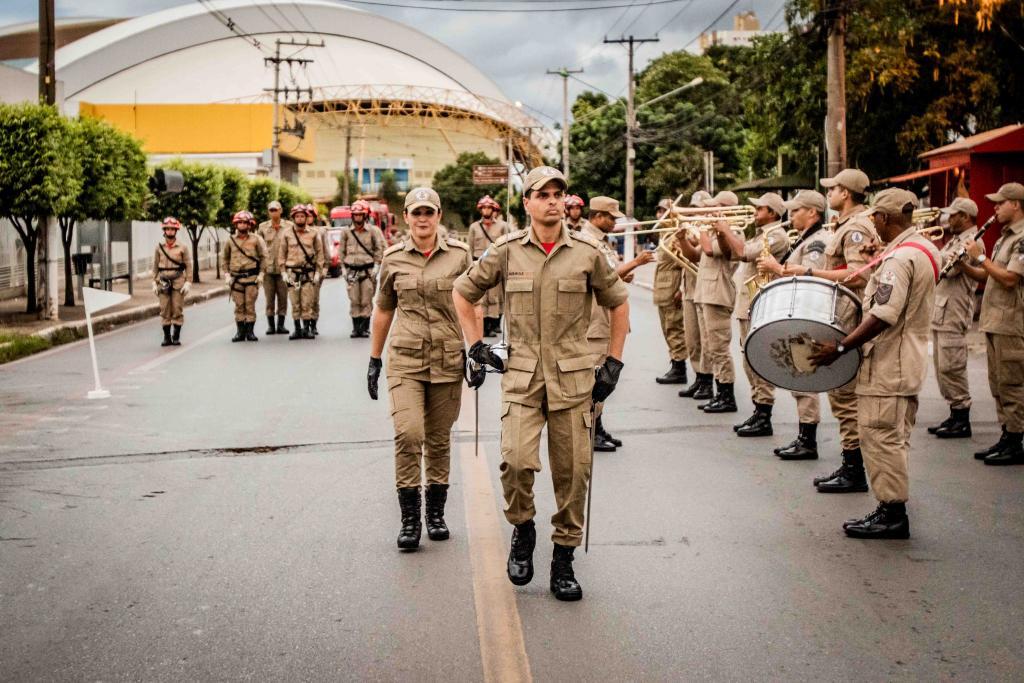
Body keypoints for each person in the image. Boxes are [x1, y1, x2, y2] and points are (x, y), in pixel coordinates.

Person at [452, 166, 630, 602]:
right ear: (527, 203)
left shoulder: (587, 252)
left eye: (558, 194)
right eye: (542, 194)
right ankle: (523, 527)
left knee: (573, 476)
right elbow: (463, 291)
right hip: (523, 377)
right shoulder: (507, 251)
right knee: (515, 461)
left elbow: (619, 304)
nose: (552, 201)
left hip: (574, 380)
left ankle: (564, 556)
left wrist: (614, 363)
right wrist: (475, 346)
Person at [809, 188, 939, 538]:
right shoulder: (922, 249)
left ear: (883, 218)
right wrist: (881, 254)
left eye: (875, 220)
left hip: (888, 364)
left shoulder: (898, 260)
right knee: (892, 438)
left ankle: (892, 513)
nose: (872, 227)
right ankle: (889, 508)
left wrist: (841, 347)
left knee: (881, 438)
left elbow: (883, 314)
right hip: (905, 360)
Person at [367, 187, 472, 550]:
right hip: (406, 359)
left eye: (429, 212)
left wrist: (475, 351)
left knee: (439, 439)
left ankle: (435, 515)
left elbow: (471, 305)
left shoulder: (460, 256)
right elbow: (383, 308)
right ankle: (410, 520)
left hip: (448, 357)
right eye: (416, 213)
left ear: (439, 216)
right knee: (409, 434)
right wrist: (374, 359)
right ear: (406, 218)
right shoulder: (393, 258)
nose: (423, 218)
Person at [781, 169, 875, 489]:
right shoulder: (847, 225)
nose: (829, 193)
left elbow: (858, 274)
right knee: (841, 397)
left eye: (832, 188)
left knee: (846, 398)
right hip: (841, 316)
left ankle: (854, 470)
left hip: (849, 318)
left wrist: (808, 271)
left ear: (845, 193)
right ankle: (850, 465)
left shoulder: (857, 227)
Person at [757, 191, 835, 467]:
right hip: (799, 312)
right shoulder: (806, 238)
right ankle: (804, 436)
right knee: (798, 378)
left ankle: (808, 439)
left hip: (806, 312)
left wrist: (776, 268)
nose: (791, 216)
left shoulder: (816, 243)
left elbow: (807, 275)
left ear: (812, 213)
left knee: (804, 379)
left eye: (797, 210)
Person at [717, 192, 790, 436]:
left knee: (759, 361)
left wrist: (726, 229)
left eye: (759, 209)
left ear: (772, 212)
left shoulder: (777, 235)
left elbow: (745, 253)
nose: (755, 213)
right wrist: (721, 233)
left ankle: (764, 413)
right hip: (748, 303)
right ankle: (758, 410)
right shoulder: (762, 233)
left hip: (760, 305)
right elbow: (732, 253)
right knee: (750, 362)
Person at [584, 195, 654, 451]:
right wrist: (636, 262)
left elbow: (609, 277)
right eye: (611, 217)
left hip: (605, 314)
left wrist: (624, 277)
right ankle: (590, 431)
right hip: (595, 318)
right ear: (598, 216)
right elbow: (604, 277)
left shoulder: (600, 241)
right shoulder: (589, 241)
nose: (614, 222)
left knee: (602, 375)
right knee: (597, 376)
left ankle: (597, 426)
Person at [963, 182, 1024, 466]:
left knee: (1012, 384)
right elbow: (986, 276)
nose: (995, 208)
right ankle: (1007, 435)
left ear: (1017, 204)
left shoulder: (1022, 238)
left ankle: (1016, 440)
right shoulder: (1004, 238)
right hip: (993, 321)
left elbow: (1010, 278)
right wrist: (965, 264)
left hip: (1011, 323)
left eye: (1001, 203)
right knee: (997, 383)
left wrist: (981, 257)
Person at [678, 191, 740, 413]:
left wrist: (703, 226)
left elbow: (708, 249)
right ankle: (718, 390)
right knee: (710, 347)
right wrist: (681, 238)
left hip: (718, 294)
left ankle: (727, 395)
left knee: (719, 348)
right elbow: (695, 255)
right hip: (705, 293)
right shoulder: (716, 232)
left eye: (715, 207)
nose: (709, 211)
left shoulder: (732, 232)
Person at [927, 197, 980, 438]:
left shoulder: (972, 240)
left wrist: (929, 250)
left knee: (952, 365)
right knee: (941, 367)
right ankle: (953, 413)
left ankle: (962, 416)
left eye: (954, 215)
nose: (949, 219)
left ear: (966, 217)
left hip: (955, 310)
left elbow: (948, 267)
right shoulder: (957, 239)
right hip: (941, 309)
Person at [677, 190, 712, 399]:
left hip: (707, 289)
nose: (695, 214)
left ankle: (708, 380)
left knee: (707, 339)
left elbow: (703, 254)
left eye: (700, 210)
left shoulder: (708, 231)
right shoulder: (694, 230)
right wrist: (682, 241)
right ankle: (699, 376)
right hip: (690, 288)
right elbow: (691, 255)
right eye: (693, 210)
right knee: (692, 339)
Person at [652, 198, 689, 385]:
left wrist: (682, 288)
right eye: (659, 211)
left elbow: (686, 263)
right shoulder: (664, 233)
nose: (660, 215)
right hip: (662, 288)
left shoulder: (677, 234)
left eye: (664, 211)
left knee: (675, 329)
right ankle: (674, 362)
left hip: (672, 287)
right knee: (667, 329)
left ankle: (679, 367)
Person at [277, 203, 325, 340]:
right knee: (295, 303)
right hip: (292, 273)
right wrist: (283, 272)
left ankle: (307, 329)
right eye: (297, 216)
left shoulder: (314, 234)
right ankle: (297, 329)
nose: (299, 219)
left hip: (308, 273)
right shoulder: (286, 234)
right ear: (293, 218)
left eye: (302, 216)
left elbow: (320, 254)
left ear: (306, 217)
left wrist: (318, 272)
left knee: (307, 302)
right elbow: (282, 254)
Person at [340, 199, 385, 338]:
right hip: (351, 271)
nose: (357, 217)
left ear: (365, 216)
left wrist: (377, 266)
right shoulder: (346, 232)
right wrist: (342, 268)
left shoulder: (373, 231)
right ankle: (355, 328)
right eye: (355, 215)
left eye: (360, 214)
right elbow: (341, 251)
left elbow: (380, 248)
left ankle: (364, 328)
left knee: (366, 300)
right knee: (354, 300)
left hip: (368, 271)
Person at [222, 210, 268, 342]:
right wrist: (226, 275)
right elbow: (224, 259)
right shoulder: (230, 241)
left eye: (245, 223)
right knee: (239, 305)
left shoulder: (256, 239)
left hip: (251, 278)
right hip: (236, 279)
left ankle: (250, 332)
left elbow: (264, 257)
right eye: (240, 222)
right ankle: (240, 332)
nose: (242, 225)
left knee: (250, 305)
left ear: (250, 225)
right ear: (236, 224)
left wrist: (261, 274)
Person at [467, 195, 508, 337]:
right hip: (479, 264)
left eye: (488, 207)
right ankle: (483, 327)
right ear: (480, 210)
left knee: (495, 296)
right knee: (481, 296)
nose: (486, 210)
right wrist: (469, 266)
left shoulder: (503, 226)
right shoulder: (474, 227)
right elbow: (470, 247)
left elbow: (506, 246)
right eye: (483, 207)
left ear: (493, 209)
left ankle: (492, 325)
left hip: (496, 265)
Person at [152, 217, 192, 347]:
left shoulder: (183, 247)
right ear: (164, 230)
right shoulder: (159, 247)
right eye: (167, 229)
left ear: (176, 230)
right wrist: (153, 281)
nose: (169, 231)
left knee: (177, 308)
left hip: (178, 281)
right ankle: (166, 337)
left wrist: (188, 282)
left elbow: (188, 265)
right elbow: (155, 266)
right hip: (163, 281)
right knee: (164, 309)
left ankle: (176, 336)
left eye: (172, 229)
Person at [258, 200, 294, 336]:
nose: (273, 212)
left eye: (276, 209)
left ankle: (281, 325)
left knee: (283, 297)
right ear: (268, 212)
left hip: (284, 269)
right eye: (271, 210)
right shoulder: (262, 227)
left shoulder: (289, 226)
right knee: (269, 298)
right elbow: (259, 248)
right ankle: (271, 326)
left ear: (281, 210)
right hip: (268, 269)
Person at [306, 204, 329, 336]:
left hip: (316, 269)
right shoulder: (296, 231)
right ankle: (304, 324)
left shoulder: (320, 231)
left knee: (314, 299)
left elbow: (326, 250)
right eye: (306, 215)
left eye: (310, 216)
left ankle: (313, 324)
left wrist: (325, 267)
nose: (307, 218)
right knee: (303, 300)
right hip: (301, 271)